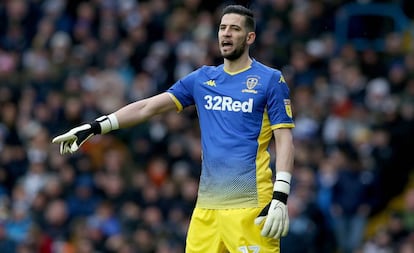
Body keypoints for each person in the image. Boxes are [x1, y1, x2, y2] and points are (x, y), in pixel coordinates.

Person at [52, 5, 295, 253]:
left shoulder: (269, 80)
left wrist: (280, 196)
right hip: (207, 210)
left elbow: (284, 139)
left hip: (251, 206)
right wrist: (96, 126)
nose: (226, 34)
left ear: (250, 37)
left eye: (235, 29)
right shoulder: (202, 79)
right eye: (222, 28)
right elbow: (148, 107)